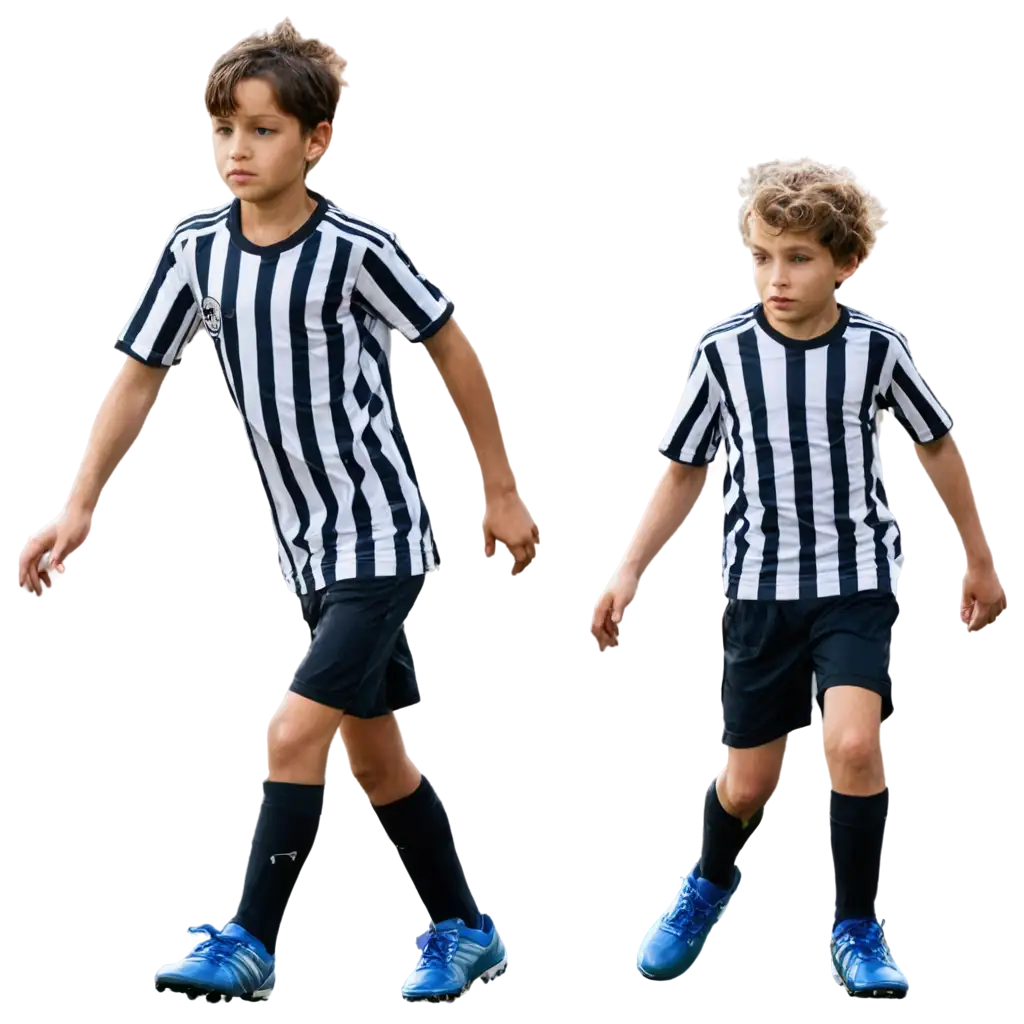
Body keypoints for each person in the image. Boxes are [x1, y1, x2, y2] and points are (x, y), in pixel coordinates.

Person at [14, 17, 536, 1005]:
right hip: (303, 548)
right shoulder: (193, 249)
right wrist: (75, 505)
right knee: (377, 765)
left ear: (315, 141)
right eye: (223, 129)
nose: (237, 151)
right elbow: (133, 378)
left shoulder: (353, 247)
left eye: (261, 130)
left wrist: (499, 488)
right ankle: (465, 931)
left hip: (375, 534)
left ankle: (247, 941)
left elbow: (451, 348)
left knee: (292, 734)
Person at [587, 158, 1006, 999]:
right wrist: (624, 570)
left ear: (844, 263)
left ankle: (855, 928)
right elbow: (680, 470)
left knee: (852, 744)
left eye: (800, 258)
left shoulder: (875, 351)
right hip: (759, 590)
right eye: (763, 256)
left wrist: (980, 557)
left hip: (854, 584)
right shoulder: (723, 351)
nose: (778, 277)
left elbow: (938, 449)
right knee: (746, 781)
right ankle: (705, 884)